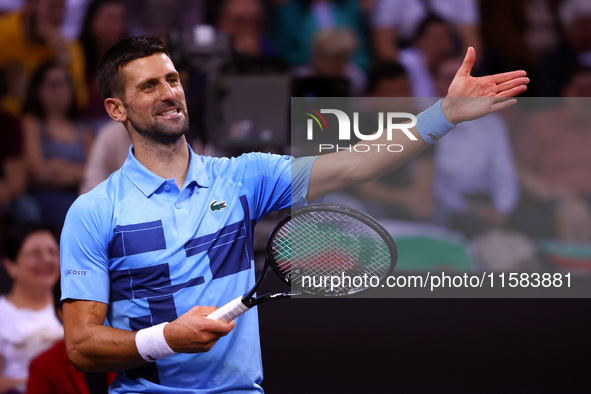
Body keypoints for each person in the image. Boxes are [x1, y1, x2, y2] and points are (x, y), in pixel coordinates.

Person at [59, 36, 528, 393]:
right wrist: (166, 339)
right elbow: (81, 347)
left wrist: (442, 114)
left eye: (172, 79)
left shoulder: (243, 177)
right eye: (148, 86)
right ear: (115, 108)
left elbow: (357, 161)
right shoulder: (94, 212)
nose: (168, 93)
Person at [21, 62, 93, 230]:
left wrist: (57, 167)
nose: (61, 90)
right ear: (38, 90)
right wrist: (78, 171)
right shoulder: (31, 124)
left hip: (81, 194)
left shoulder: (83, 129)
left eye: (65, 83)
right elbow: (39, 172)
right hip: (44, 197)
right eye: (54, 85)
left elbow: (93, 173)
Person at [0, 222, 62, 394]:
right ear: (10, 265)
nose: (46, 260)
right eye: (35, 253)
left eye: (52, 252)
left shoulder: (72, 307)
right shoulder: (2, 313)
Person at [26, 282, 116, 394]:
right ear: (61, 313)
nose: (95, 314)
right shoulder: (43, 366)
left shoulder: (128, 351)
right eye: (84, 306)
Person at [0, 0, 87, 115]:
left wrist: (63, 56)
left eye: (62, 8)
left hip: (47, 124)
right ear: (30, 5)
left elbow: (80, 101)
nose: (59, 15)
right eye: (52, 7)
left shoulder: (68, 47)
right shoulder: (3, 33)